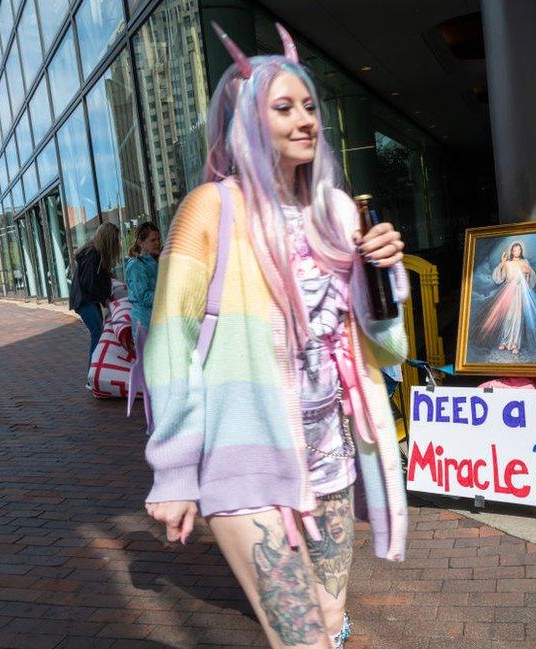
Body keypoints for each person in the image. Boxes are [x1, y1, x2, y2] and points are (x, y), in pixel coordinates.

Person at [143, 24, 408, 649]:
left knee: (330, 625)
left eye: (310, 106)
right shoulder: (210, 210)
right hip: (247, 456)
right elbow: (169, 348)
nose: (305, 120)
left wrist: (385, 276)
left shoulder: (339, 213)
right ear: (245, 123)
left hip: (333, 453)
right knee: (303, 640)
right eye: (283, 108)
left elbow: (388, 350)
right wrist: (175, 473)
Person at [477, 242, 536, 357]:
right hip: (508, 292)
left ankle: (515, 344)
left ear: (521, 251)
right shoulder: (508, 263)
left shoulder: (524, 262)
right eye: (515, 250)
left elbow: (530, 278)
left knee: (518, 317)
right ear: (512, 251)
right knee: (508, 317)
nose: (517, 252)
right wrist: (502, 263)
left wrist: (529, 272)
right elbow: (498, 278)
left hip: (520, 292)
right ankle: (505, 341)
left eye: (519, 250)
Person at [69, 222, 120, 367]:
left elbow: (93, 281)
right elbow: (90, 283)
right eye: (115, 239)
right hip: (84, 300)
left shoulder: (94, 253)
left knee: (98, 331)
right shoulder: (93, 254)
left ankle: (95, 372)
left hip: (86, 299)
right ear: (108, 239)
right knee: (97, 331)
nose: (117, 242)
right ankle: (93, 375)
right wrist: (105, 297)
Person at [124, 221, 161, 341]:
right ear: (140, 242)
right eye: (153, 240)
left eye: (158, 239)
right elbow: (144, 296)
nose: (157, 243)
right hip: (144, 322)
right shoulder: (135, 265)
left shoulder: (153, 261)